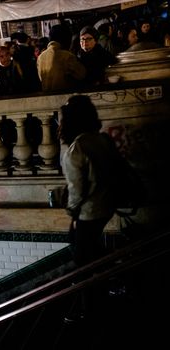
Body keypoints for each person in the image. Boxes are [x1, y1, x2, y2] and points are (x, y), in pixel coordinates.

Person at [59, 95, 118, 321]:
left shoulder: (76, 149)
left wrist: (73, 214)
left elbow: (76, 191)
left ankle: (89, 308)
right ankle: (112, 275)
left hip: (89, 211)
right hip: (107, 205)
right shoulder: (102, 139)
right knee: (89, 250)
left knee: (82, 258)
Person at [37, 24, 86, 92]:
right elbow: (82, 74)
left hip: (47, 97)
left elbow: (41, 79)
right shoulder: (67, 56)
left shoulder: (40, 57)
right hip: (64, 97)